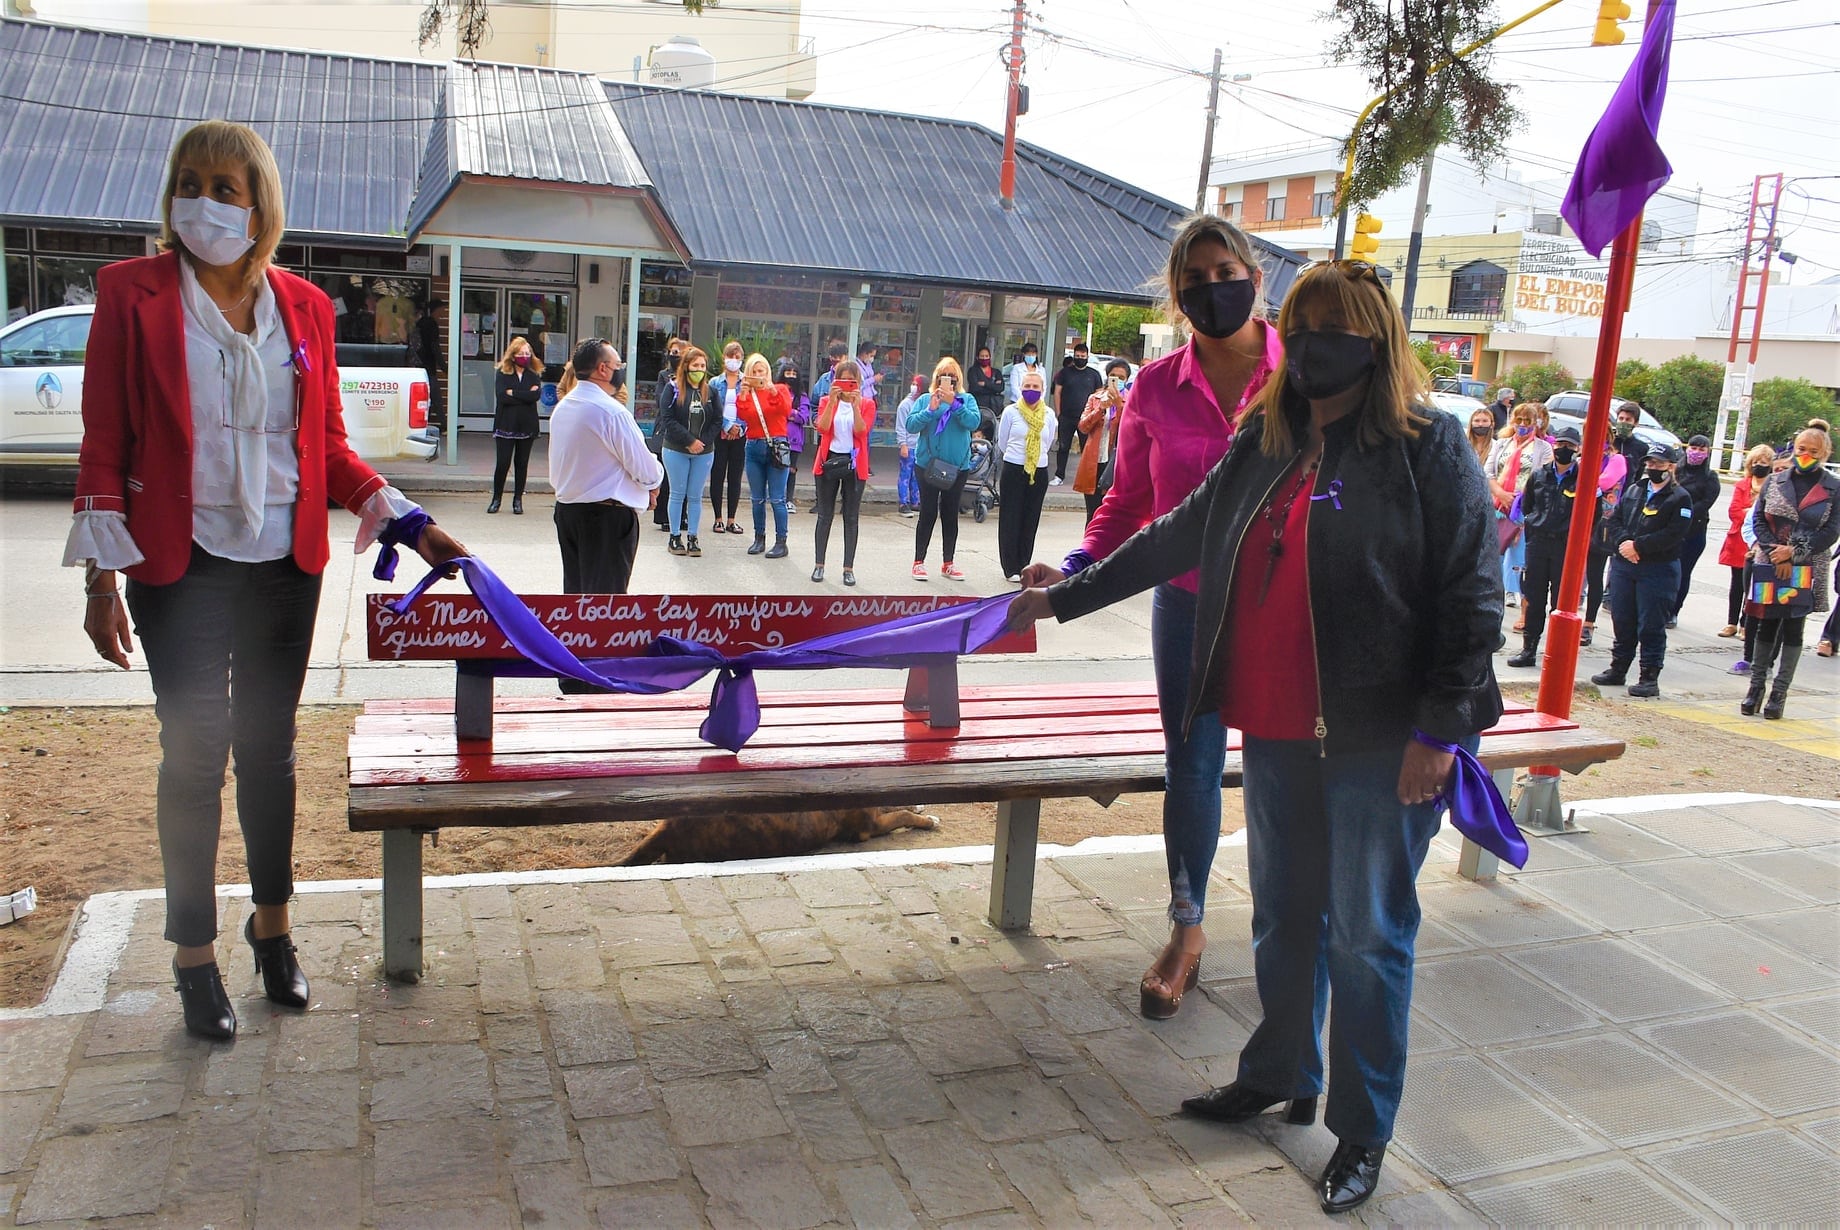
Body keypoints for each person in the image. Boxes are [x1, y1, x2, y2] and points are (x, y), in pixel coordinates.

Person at [1006, 258, 1500, 1216]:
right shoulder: (1266, 437)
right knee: (1282, 917)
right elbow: (1176, 532)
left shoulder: (1425, 445)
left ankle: (1361, 1131)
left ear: (1376, 342)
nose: (1312, 347)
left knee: (1367, 936)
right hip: (1276, 727)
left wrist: (1440, 730)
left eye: (1335, 331)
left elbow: (1473, 593)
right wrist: (1063, 597)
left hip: (1382, 736)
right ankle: (1280, 1071)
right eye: (1302, 326)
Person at [65, 120, 468, 1040]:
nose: (207, 200)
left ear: (259, 204)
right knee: (194, 758)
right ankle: (193, 956)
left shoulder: (306, 310)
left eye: (227, 186)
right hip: (181, 563)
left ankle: (274, 930)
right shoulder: (131, 296)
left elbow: (324, 444)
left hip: (282, 566)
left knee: (271, 753)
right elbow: (104, 441)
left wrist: (412, 521)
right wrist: (99, 579)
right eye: (192, 182)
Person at [1018, 214, 1281, 1023]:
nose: (1212, 289)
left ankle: (1293, 933)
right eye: (1194, 280)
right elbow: (1128, 501)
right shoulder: (1156, 389)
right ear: (1175, 294)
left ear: (1255, 275)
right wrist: (1072, 567)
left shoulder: (1303, 370)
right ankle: (1186, 929)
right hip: (1190, 604)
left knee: (1282, 774)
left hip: (1284, 607)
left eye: (1224, 271)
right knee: (1193, 770)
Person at [549, 338, 662, 636]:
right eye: (619, 366)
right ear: (603, 369)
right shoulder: (610, 411)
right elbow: (645, 467)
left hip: (570, 512)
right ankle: (597, 679)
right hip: (605, 517)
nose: (621, 370)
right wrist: (653, 483)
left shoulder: (565, 407)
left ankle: (574, 674)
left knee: (576, 598)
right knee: (604, 607)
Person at [1743, 426, 1837, 718]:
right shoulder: (1775, 480)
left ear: (1824, 454)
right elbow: (1759, 520)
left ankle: (1779, 693)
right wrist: (1775, 552)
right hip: (1771, 561)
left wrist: (1794, 551)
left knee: (1794, 627)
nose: (1805, 454)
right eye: (1801, 448)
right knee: (1764, 623)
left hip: (1806, 566)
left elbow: (1831, 532)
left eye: (1812, 450)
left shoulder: (1833, 487)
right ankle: (1756, 687)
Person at [1592, 442, 1693, 698]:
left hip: (1657, 569)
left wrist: (1639, 546)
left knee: (1650, 624)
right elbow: (1614, 519)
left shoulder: (1680, 498)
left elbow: (1673, 534)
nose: (1653, 468)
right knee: (1623, 619)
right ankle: (1618, 667)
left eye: (1659, 464)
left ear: (1671, 466)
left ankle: (1649, 675)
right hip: (1625, 565)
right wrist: (1625, 543)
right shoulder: (1636, 489)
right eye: (1650, 463)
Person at [1507, 424, 1584, 668]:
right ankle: (1529, 649)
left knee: (1561, 602)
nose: (1564, 449)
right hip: (1538, 543)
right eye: (1560, 444)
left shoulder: (1584, 478)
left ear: (1578, 449)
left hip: (1565, 547)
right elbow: (1528, 506)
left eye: (1569, 446)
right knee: (1534, 598)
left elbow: (1592, 516)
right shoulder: (1539, 474)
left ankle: (1558, 654)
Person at [908, 359, 982, 581]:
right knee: (928, 513)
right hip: (927, 465)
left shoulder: (966, 400)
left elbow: (973, 422)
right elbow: (911, 426)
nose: (947, 379)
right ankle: (918, 562)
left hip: (957, 468)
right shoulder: (925, 399)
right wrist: (930, 411)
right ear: (936, 378)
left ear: (958, 380)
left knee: (950, 514)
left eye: (952, 376)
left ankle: (948, 563)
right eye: (943, 375)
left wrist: (955, 405)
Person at [809, 357, 876, 585]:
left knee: (851, 517)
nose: (847, 385)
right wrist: (831, 402)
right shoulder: (827, 400)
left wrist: (855, 406)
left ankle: (848, 568)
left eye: (851, 381)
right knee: (824, 515)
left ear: (858, 382)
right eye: (842, 380)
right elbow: (822, 427)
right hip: (829, 461)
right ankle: (819, 564)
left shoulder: (867, 404)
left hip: (854, 464)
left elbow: (861, 432)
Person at [1487, 402, 1552, 626]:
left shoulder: (1543, 448)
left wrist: (1519, 500)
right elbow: (1488, 472)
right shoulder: (1502, 444)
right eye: (1519, 420)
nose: (1522, 425)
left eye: (1527, 421)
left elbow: (1543, 479)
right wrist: (1500, 493)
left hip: (1524, 510)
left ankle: (1525, 613)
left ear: (1536, 423)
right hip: (1498, 507)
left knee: (1521, 563)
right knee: (1494, 559)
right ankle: (1492, 608)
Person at [655, 346, 721, 557]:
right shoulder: (672, 388)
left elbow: (717, 420)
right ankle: (675, 537)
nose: (699, 369)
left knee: (695, 496)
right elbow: (668, 419)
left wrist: (702, 442)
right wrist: (689, 441)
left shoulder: (711, 391)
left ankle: (693, 537)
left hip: (704, 452)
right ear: (686, 366)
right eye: (695, 365)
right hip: (676, 449)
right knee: (677, 493)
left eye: (702, 366)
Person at [995, 367, 1057, 582]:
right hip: (1013, 468)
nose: (1031, 390)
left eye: (1035, 387)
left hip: (1038, 471)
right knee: (1011, 517)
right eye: (1027, 386)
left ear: (1043, 389)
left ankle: (1024, 564)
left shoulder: (1049, 414)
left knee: (1030, 519)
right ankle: (1010, 566)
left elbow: (1048, 442)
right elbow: (1003, 442)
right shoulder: (1011, 412)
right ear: (1020, 389)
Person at [1719, 444, 1777, 670]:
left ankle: (1746, 625)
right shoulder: (1743, 484)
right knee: (1738, 584)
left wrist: (1750, 511)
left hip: (1761, 546)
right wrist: (1750, 511)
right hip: (1738, 540)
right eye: (1756, 461)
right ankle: (1732, 622)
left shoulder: (1773, 486)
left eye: (1764, 462)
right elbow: (1734, 512)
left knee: (1755, 588)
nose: (1759, 465)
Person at [737, 352, 793, 559]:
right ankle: (759, 538)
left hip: (776, 445)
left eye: (761, 371)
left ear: (768, 372)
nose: (758, 375)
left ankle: (781, 541)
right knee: (757, 498)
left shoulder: (780, 389)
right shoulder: (747, 394)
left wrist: (771, 389)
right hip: (753, 446)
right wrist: (743, 394)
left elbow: (786, 410)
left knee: (777, 498)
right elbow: (743, 416)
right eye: (754, 372)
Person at [1670, 433, 1720, 628]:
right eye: (1693, 447)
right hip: (1671, 529)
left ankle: (1674, 611)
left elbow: (1706, 503)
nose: (1696, 452)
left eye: (1701, 449)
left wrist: (1684, 511)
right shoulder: (1676, 470)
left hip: (1694, 531)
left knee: (1683, 572)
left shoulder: (1710, 477)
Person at [489, 336, 543, 515]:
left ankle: (517, 500)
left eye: (527, 353)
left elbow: (535, 397)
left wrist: (514, 393)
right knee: (502, 463)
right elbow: (502, 396)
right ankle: (496, 499)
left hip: (527, 425)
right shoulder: (503, 373)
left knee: (522, 463)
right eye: (521, 353)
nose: (525, 357)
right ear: (513, 355)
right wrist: (525, 395)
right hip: (506, 423)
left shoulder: (533, 374)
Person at [1074, 359, 1130, 523]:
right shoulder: (1095, 398)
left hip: (1117, 463)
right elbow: (1083, 427)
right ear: (1107, 377)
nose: (1117, 380)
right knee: (1093, 514)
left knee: (1112, 516)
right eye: (1113, 376)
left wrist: (1119, 406)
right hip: (1095, 461)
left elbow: (1131, 428)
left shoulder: (1132, 400)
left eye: (1121, 377)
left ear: (1127, 380)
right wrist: (1101, 409)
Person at [706, 341, 749, 535]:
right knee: (717, 475)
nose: (734, 360)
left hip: (740, 435)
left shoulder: (747, 382)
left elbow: (751, 408)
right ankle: (718, 519)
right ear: (724, 359)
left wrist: (739, 428)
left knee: (735, 477)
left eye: (737, 357)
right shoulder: (715, 383)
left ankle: (732, 519)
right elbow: (712, 409)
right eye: (730, 357)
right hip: (719, 434)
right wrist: (726, 426)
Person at [1050, 339, 1105, 485]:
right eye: (1078, 356)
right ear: (1074, 356)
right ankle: (1059, 476)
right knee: (1063, 447)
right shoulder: (1064, 373)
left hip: (1086, 418)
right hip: (1066, 417)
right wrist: (1058, 413)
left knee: (1087, 448)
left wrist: (1095, 415)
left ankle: (1087, 477)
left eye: (1083, 356)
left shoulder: (1094, 375)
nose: (1080, 358)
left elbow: (1099, 395)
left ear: (1087, 356)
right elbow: (1057, 392)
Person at [652, 338, 687, 533]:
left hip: (687, 430)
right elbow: (660, 400)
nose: (676, 356)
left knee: (684, 477)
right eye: (673, 352)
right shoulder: (664, 376)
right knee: (667, 476)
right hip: (666, 428)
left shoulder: (692, 376)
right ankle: (664, 516)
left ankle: (682, 516)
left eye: (680, 353)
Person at [777, 361, 811, 514]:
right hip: (777, 437)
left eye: (794, 373)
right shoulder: (776, 392)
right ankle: (778, 498)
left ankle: (789, 499)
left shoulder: (802, 396)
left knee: (791, 470)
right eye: (787, 373)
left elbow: (804, 417)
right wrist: (792, 412)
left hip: (795, 441)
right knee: (777, 468)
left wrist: (789, 413)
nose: (790, 376)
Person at [411, 298, 446, 439]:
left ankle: (427, 425)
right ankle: (444, 426)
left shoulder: (419, 324)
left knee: (427, 398)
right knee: (435, 396)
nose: (443, 313)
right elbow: (434, 347)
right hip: (427, 366)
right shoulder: (431, 325)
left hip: (418, 366)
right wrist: (443, 366)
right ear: (435, 310)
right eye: (441, 310)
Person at [894, 373, 928, 517]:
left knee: (917, 476)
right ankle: (903, 502)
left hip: (920, 446)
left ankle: (915, 501)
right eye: (913, 383)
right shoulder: (905, 405)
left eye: (917, 385)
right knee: (905, 475)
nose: (913, 387)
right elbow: (901, 427)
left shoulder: (925, 403)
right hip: (908, 445)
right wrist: (903, 444)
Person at [968, 344, 1005, 425]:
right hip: (979, 406)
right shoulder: (973, 371)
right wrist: (993, 387)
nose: (984, 358)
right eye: (982, 356)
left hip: (995, 408)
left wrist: (985, 384)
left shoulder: (996, 372)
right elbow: (975, 388)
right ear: (977, 357)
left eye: (986, 356)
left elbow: (1001, 388)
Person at [1005, 339, 1042, 405]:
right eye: (1028, 354)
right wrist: (1025, 400)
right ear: (1024, 354)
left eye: (1033, 354)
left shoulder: (1041, 370)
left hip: (1036, 404)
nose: (1031, 356)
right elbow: (1014, 387)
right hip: (1017, 402)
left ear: (1036, 355)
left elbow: (1043, 387)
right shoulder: (1017, 368)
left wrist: (1037, 400)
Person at [854, 338, 880, 403]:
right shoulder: (855, 365)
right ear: (865, 353)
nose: (872, 358)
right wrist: (873, 379)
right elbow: (859, 384)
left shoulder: (868, 364)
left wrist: (877, 379)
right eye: (871, 355)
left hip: (871, 397)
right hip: (861, 398)